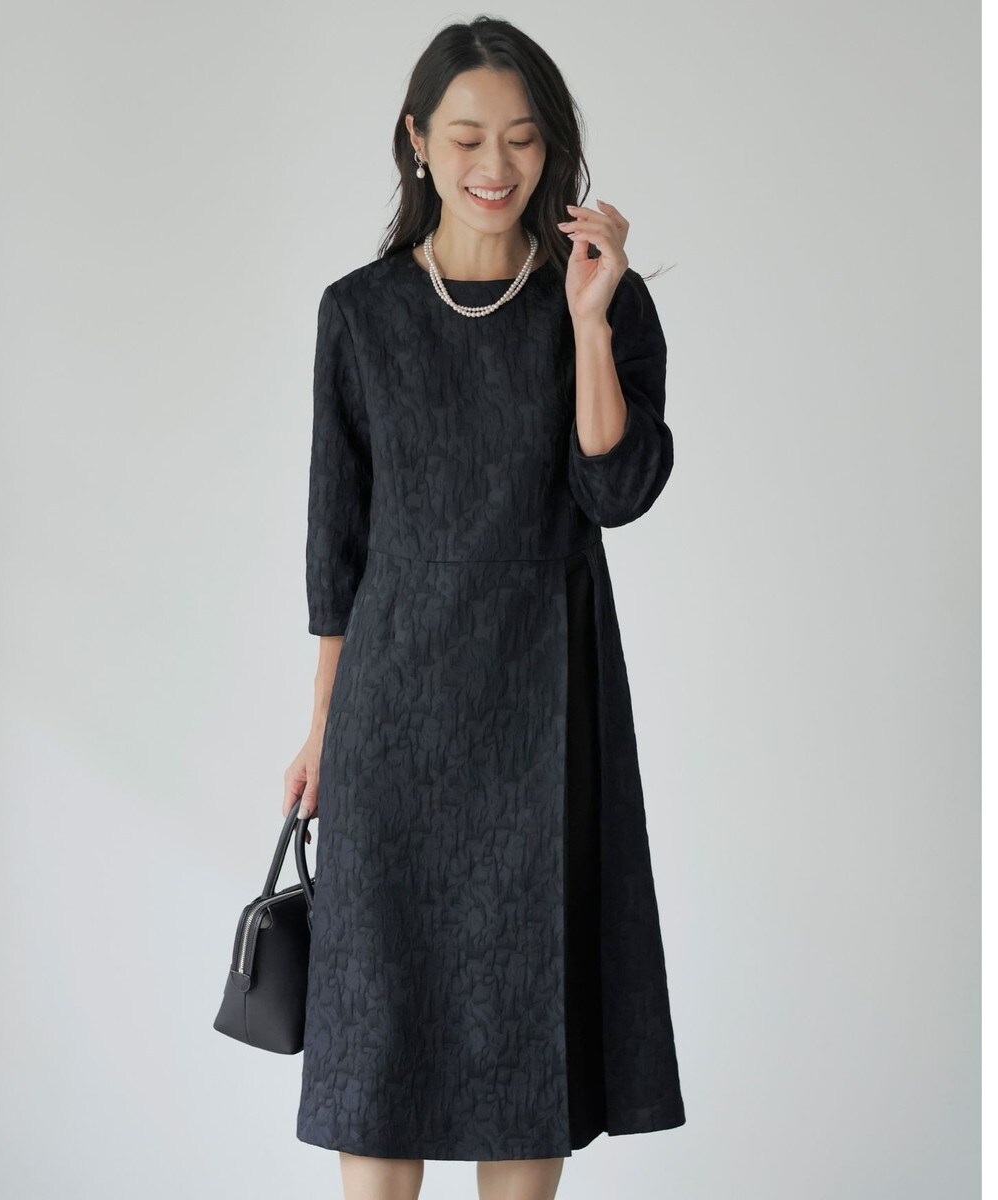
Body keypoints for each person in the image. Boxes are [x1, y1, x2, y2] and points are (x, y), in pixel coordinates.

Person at [283, 16, 686, 1200]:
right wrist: (321, 728)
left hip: (542, 709)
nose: (495, 164)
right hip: (393, 712)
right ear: (416, 141)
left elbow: (615, 490)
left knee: (524, 1016)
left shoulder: (596, 300)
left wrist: (591, 319)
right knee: (381, 1026)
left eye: (521, 137)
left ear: (551, 146)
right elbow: (336, 546)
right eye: (466, 137)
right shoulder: (360, 312)